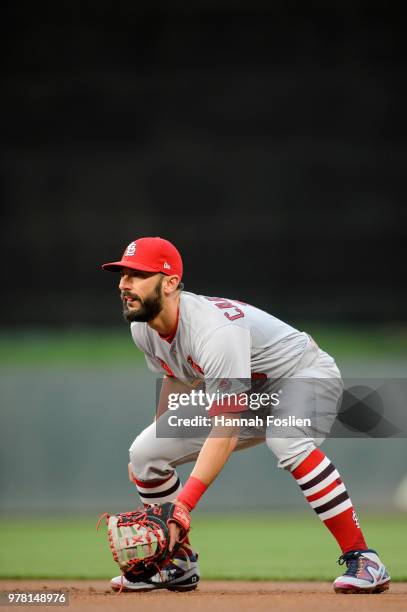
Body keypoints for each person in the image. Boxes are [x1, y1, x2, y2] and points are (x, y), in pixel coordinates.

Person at [102, 236, 390, 594]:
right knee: (145, 453)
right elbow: (177, 378)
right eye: (123, 274)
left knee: (287, 438)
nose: (123, 284)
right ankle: (175, 563)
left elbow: (226, 428)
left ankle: (364, 558)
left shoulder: (213, 332)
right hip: (249, 393)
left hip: (303, 374)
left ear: (171, 283)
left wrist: (184, 505)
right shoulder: (143, 329)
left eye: (137, 275)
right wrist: (161, 438)